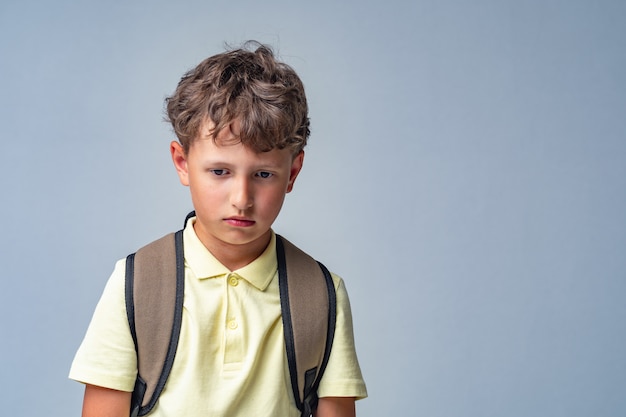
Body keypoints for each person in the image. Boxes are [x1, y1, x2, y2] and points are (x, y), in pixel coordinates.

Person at [69, 41, 367, 417]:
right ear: (181, 162)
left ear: (292, 173)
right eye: (220, 172)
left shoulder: (322, 294)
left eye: (263, 174)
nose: (241, 198)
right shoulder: (136, 282)